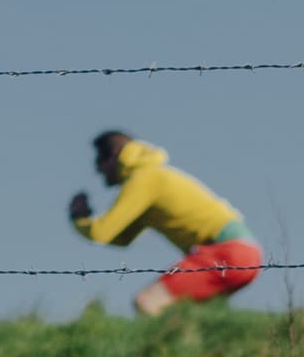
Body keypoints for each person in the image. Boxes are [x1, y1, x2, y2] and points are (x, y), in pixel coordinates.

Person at [69, 131, 264, 317]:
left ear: (114, 154)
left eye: (99, 161)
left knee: (148, 302)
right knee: (185, 314)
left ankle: (177, 352)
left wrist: (79, 218)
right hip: (244, 251)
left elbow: (102, 232)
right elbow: (122, 238)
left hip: (225, 252)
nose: (97, 170)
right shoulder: (154, 176)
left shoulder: (144, 179)